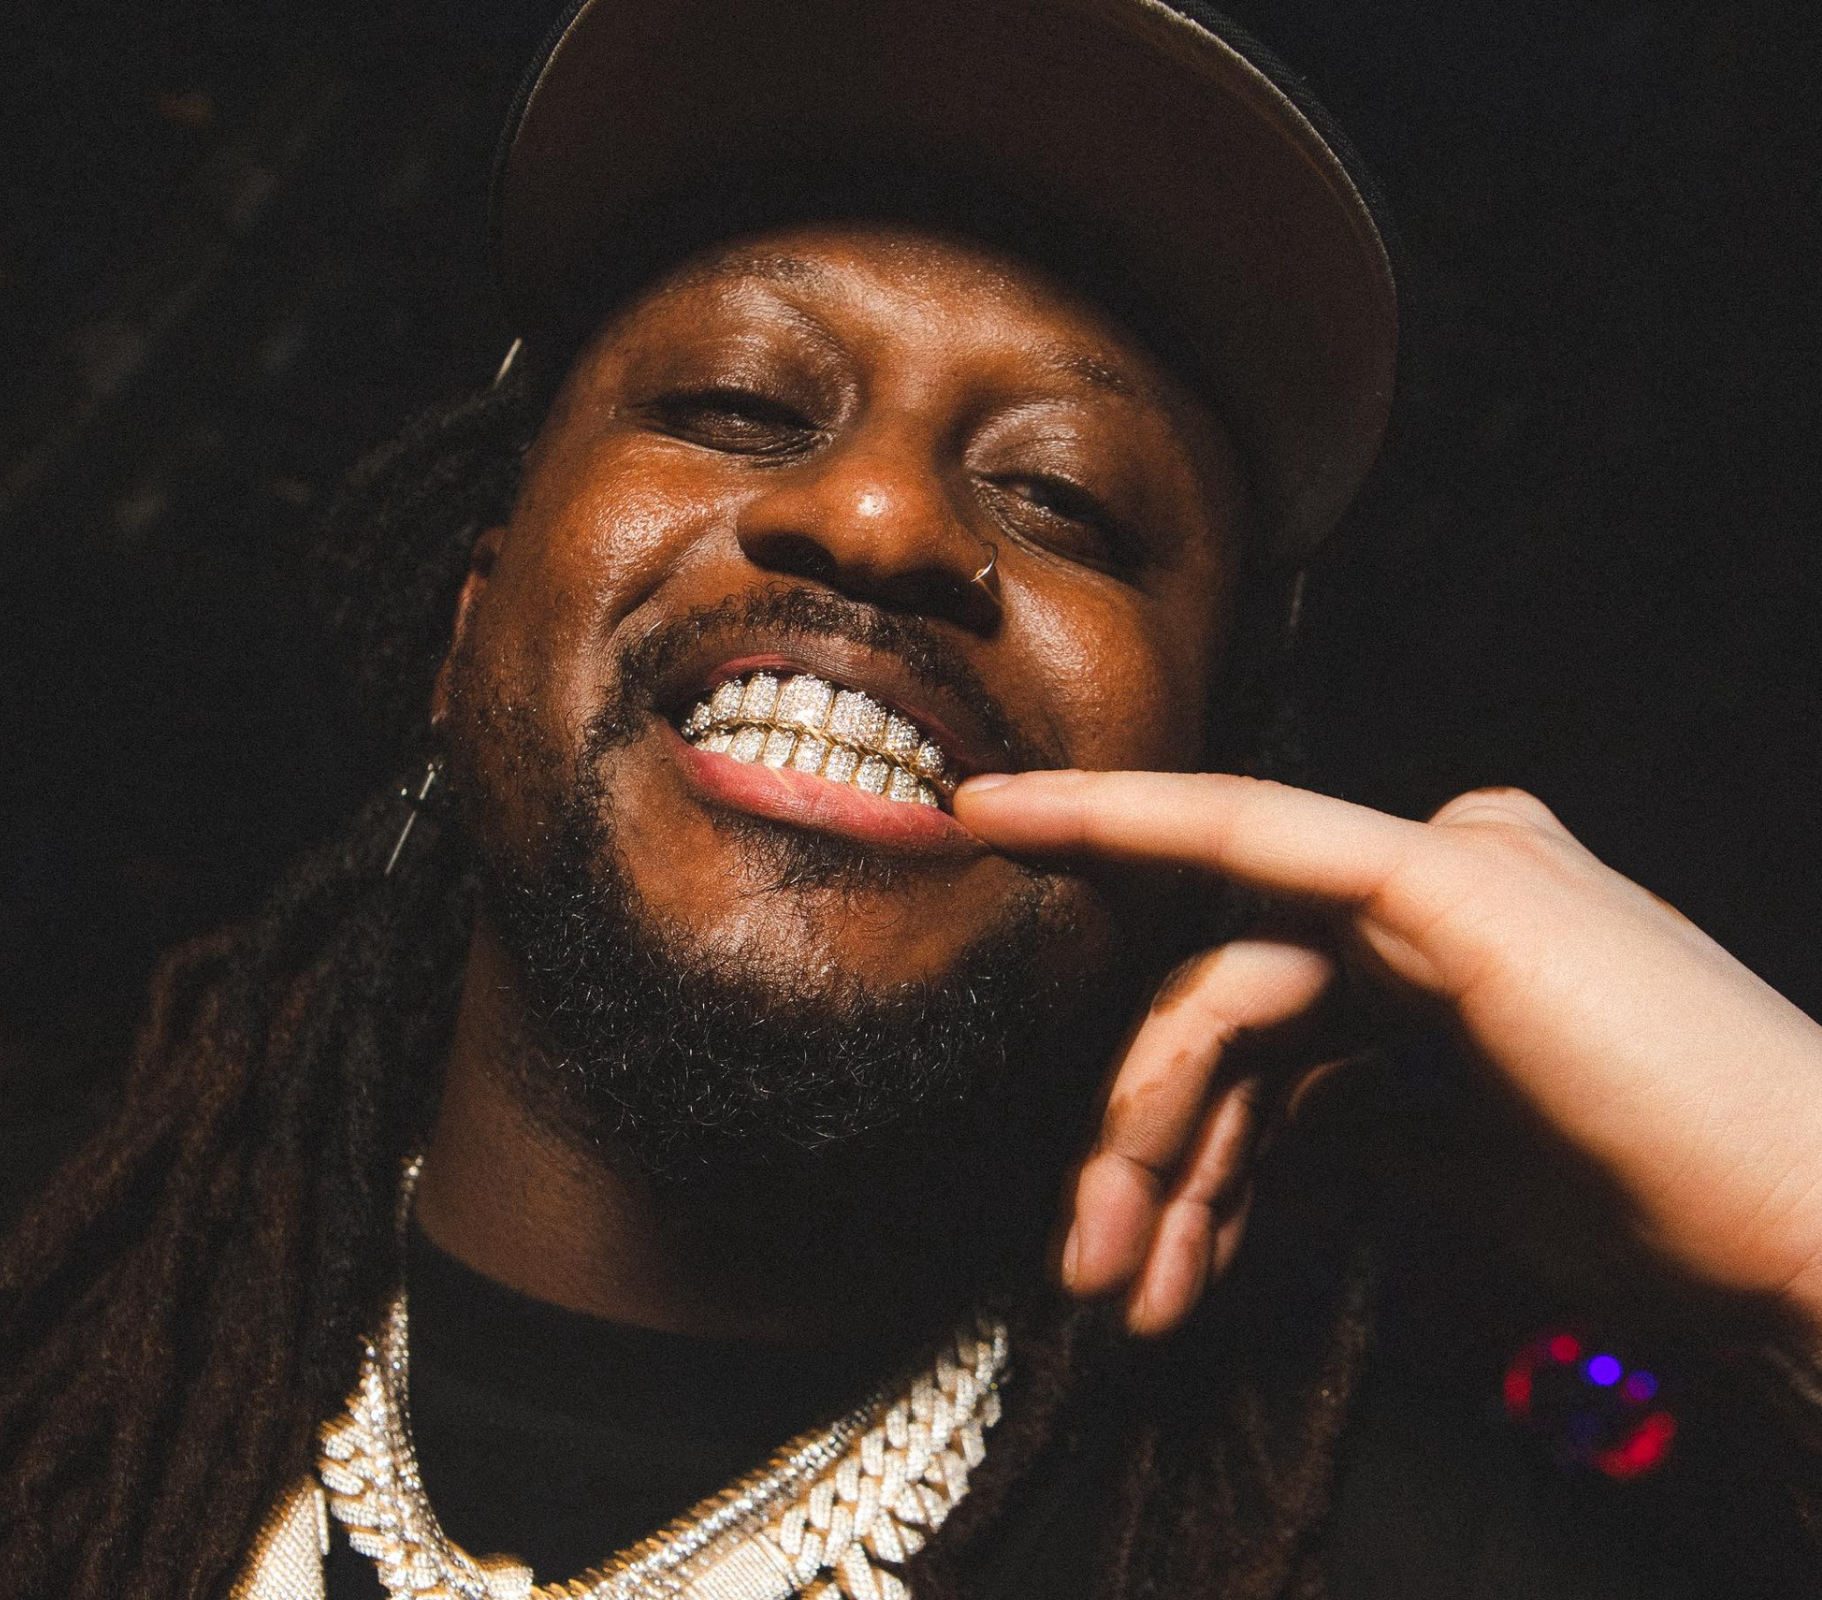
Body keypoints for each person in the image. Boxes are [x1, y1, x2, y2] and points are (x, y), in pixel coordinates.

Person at [4, 1, 1821, 1597]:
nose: (878, 521)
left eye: (1066, 501)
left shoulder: (1404, 1543)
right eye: (734, 402)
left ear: (1214, 786)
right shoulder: (62, 1309)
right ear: (466, 633)